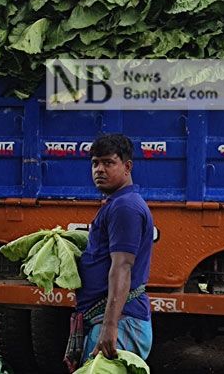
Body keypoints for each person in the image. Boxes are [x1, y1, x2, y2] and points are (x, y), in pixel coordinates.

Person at [65, 134, 155, 369]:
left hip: (122, 322)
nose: (99, 170)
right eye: (95, 163)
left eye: (108, 162)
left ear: (127, 167)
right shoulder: (116, 203)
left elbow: (122, 267)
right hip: (111, 319)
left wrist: (110, 326)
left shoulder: (125, 207)